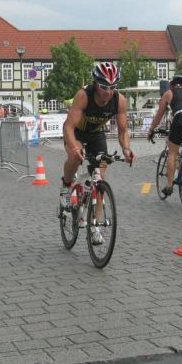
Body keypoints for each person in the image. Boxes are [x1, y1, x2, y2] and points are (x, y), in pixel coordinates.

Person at [60, 63, 135, 238]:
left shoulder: (119, 100)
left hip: (96, 134)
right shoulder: (83, 96)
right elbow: (69, 127)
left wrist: (126, 149)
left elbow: (123, 131)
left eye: (113, 87)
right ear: (95, 83)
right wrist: (75, 148)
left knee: (100, 178)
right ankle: (66, 185)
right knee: (75, 157)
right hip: (76, 132)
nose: (108, 92)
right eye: (103, 87)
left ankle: (95, 226)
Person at [146, 75, 182, 198]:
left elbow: (159, 114)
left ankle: (169, 186)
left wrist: (151, 129)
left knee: (172, 152)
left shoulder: (168, 93)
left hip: (181, 119)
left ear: (171, 85)